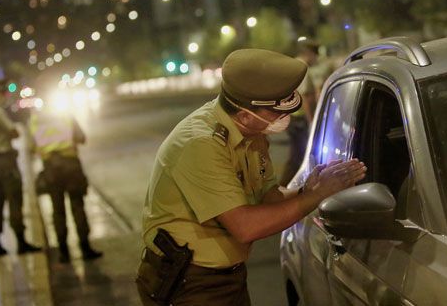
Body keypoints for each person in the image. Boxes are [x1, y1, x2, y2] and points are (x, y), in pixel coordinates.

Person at [136, 49, 366, 306]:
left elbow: (267, 196)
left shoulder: (252, 132)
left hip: (226, 276)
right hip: (188, 282)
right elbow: (246, 226)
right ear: (245, 115)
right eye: (276, 113)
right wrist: (316, 196)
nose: (284, 118)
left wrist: (306, 189)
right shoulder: (200, 144)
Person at [29, 107, 102, 263]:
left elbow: (31, 148)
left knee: (58, 211)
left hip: (50, 171)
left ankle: (63, 253)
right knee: (77, 207)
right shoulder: (65, 115)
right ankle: (85, 248)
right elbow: (81, 138)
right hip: (71, 168)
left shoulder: (35, 120)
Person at [0, 80, 41, 256]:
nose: (3, 97)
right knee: (14, 199)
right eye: (1, 93)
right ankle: (21, 241)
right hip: (5, 160)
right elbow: (14, 132)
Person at [281, 40, 321, 185]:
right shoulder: (301, 67)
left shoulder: (293, 65)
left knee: (298, 156)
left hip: (292, 117)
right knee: (299, 156)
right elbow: (305, 97)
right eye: (315, 56)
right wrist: (311, 121)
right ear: (308, 53)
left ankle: (286, 187)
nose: (316, 60)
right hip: (299, 119)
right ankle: (284, 188)